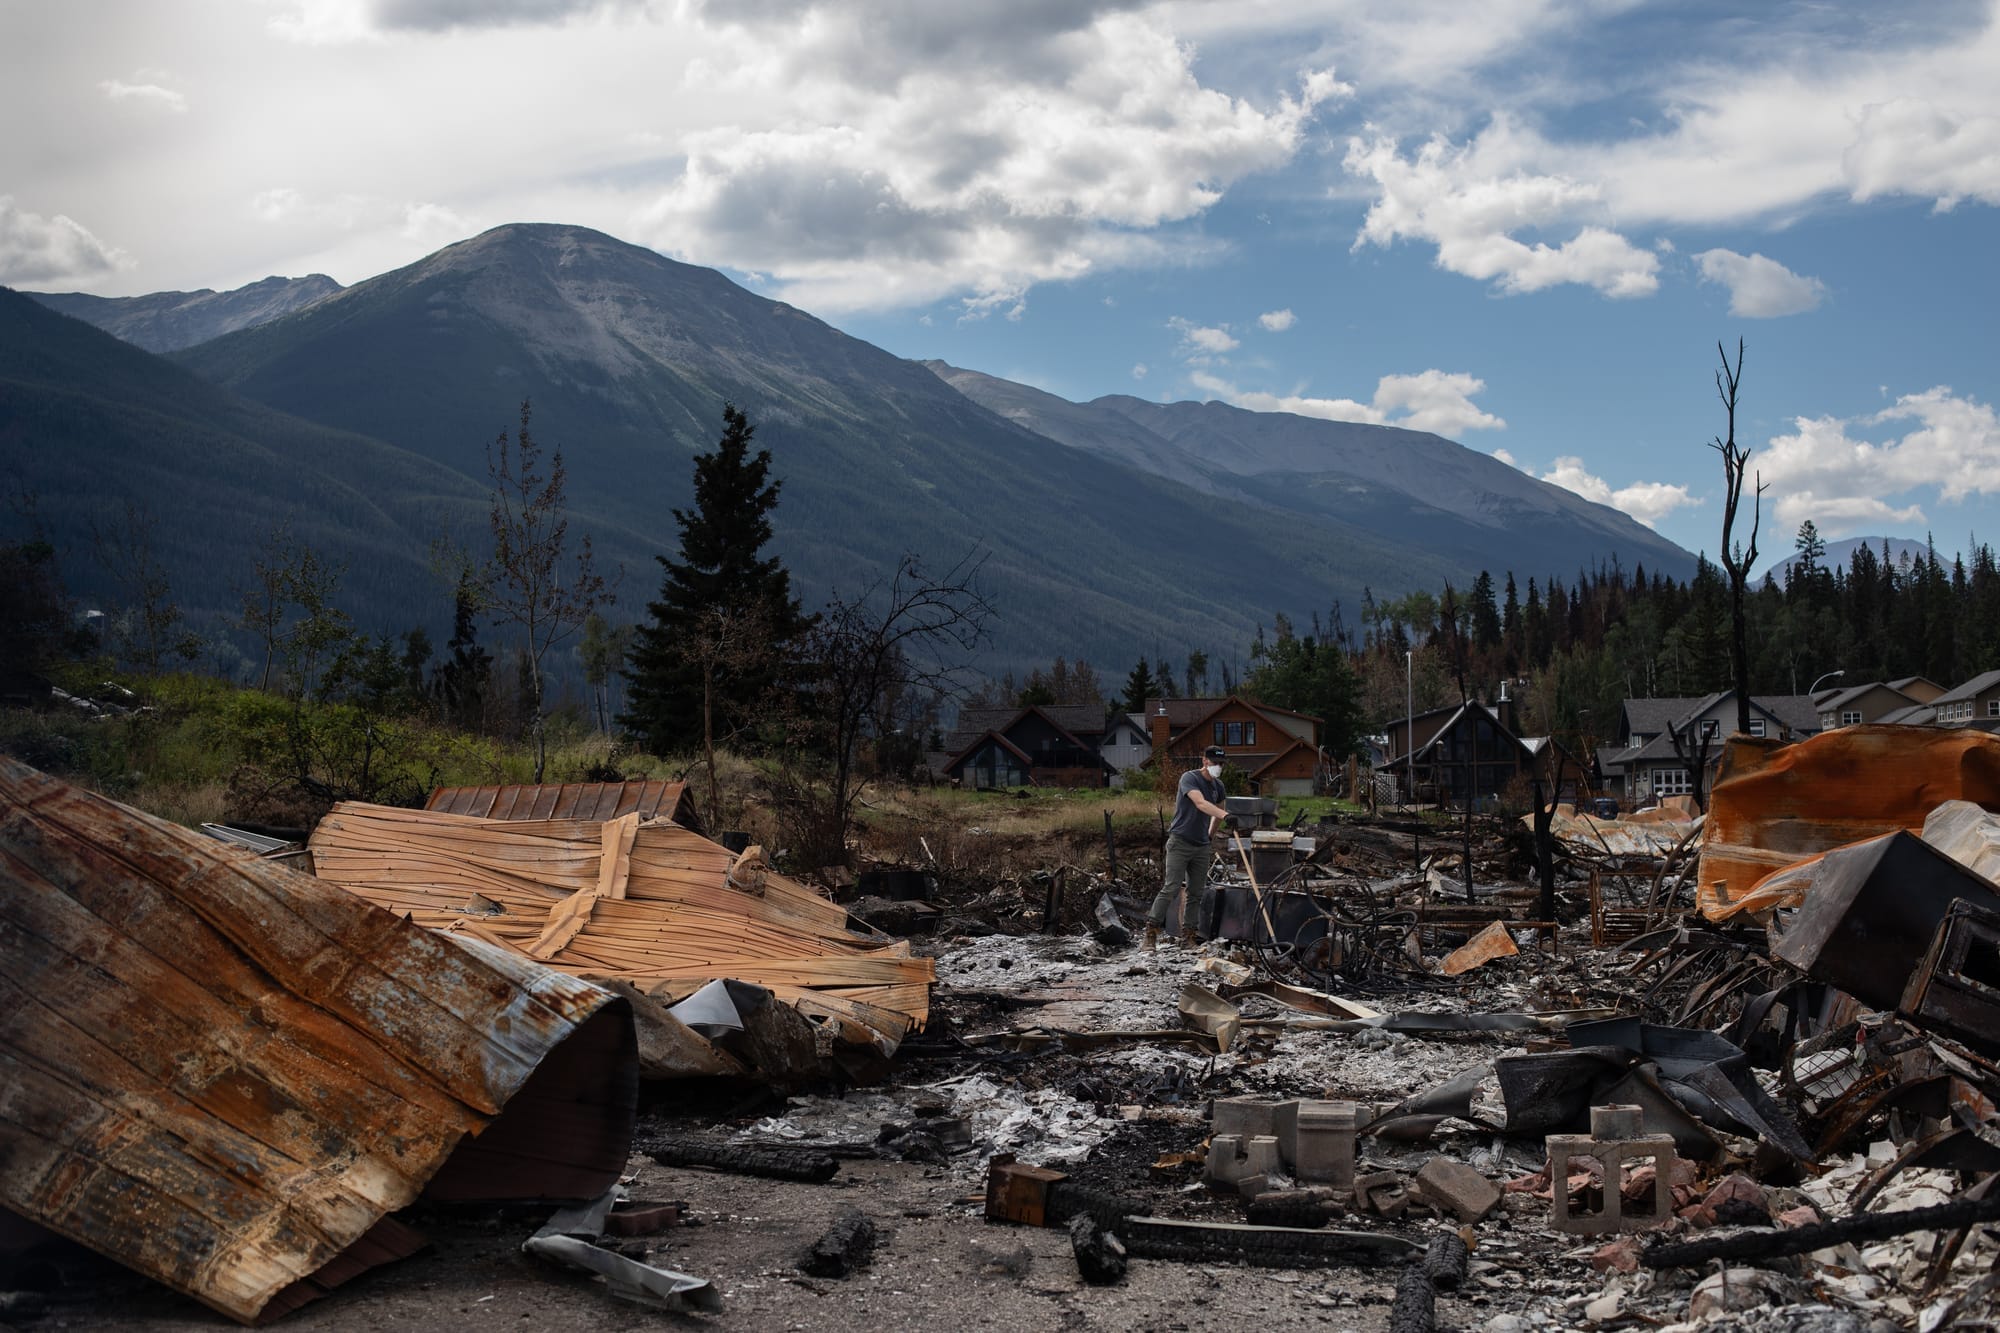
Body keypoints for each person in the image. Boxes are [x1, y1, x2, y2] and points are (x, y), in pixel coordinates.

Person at [1143, 745, 1230, 949]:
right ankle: (1150, 932)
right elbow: (1200, 804)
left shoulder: (1219, 786)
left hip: (1201, 845)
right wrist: (1225, 816)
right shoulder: (1189, 778)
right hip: (1180, 841)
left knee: (1196, 892)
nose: (1218, 767)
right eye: (1214, 762)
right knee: (1171, 887)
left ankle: (1188, 936)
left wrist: (1210, 835)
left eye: (1221, 764)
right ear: (1204, 761)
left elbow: (1219, 811)